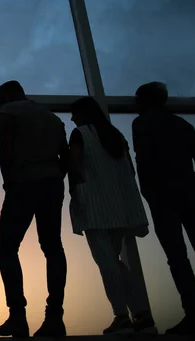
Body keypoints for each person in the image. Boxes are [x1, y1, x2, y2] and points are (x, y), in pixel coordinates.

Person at [133, 81, 195, 336]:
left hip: (163, 198)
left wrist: (149, 193)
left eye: (137, 99)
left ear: (145, 101)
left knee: (177, 257)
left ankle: (194, 317)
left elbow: (143, 161)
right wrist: (190, 186)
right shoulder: (181, 124)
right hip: (189, 197)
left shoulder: (142, 123)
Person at [68, 97, 157, 335]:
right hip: (119, 208)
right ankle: (140, 312)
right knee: (114, 262)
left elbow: (76, 166)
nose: (71, 118)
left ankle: (122, 315)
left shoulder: (80, 134)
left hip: (95, 206)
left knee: (107, 264)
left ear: (83, 114)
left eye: (74, 113)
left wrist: (77, 196)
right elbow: (129, 170)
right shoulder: (116, 136)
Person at [0, 80, 68, 338]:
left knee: (7, 247)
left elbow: (6, 148)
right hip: (52, 183)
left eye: (0, 100)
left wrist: (8, 181)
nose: (0, 106)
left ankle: (17, 316)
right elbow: (64, 157)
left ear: (9, 96)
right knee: (52, 246)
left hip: (23, 182)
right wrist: (54, 177)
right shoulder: (54, 119)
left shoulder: (9, 111)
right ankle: (55, 317)